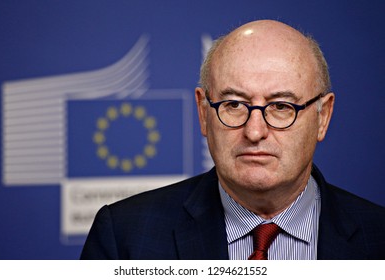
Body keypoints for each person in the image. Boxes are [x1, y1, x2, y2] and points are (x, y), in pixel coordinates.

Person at [80, 19, 385, 260]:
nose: (254, 132)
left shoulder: (378, 238)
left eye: (281, 107)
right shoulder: (126, 237)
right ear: (203, 113)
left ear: (323, 116)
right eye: (234, 105)